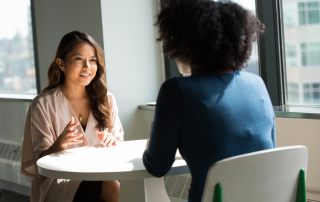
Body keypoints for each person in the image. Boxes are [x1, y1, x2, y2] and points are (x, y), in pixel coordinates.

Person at [143, 0, 275, 201]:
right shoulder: (257, 84)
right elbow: (268, 152)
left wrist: (151, 142)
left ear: (184, 44)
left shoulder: (176, 90)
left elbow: (157, 167)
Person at [21, 31, 123, 202]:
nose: (87, 67)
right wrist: (58, 145)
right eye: (78, 59)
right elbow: (39, 165)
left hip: (99, 173)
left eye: (92, 60)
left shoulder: (107, 100)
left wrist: (111, 141)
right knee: (110, 184)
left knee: (112, 182)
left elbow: (118, 146)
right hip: (59, 181)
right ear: (61, 64)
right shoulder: (43, 105)